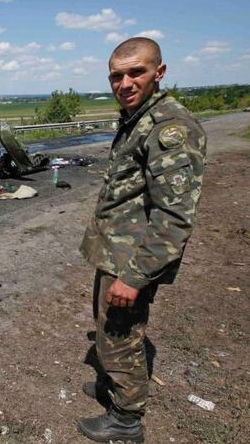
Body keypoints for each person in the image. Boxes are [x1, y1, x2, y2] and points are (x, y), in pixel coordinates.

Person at [77, 37, 207, 442]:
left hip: (133, 258)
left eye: (137, 72)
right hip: (116, 249)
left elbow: (174, 216)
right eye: (117, 75)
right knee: (107, 327)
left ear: (159, 73)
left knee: (121, 335)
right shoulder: (139, 118)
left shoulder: (170, 128)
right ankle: (113, 386)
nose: (125, 82)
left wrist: (134, 277)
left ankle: (126, 418)